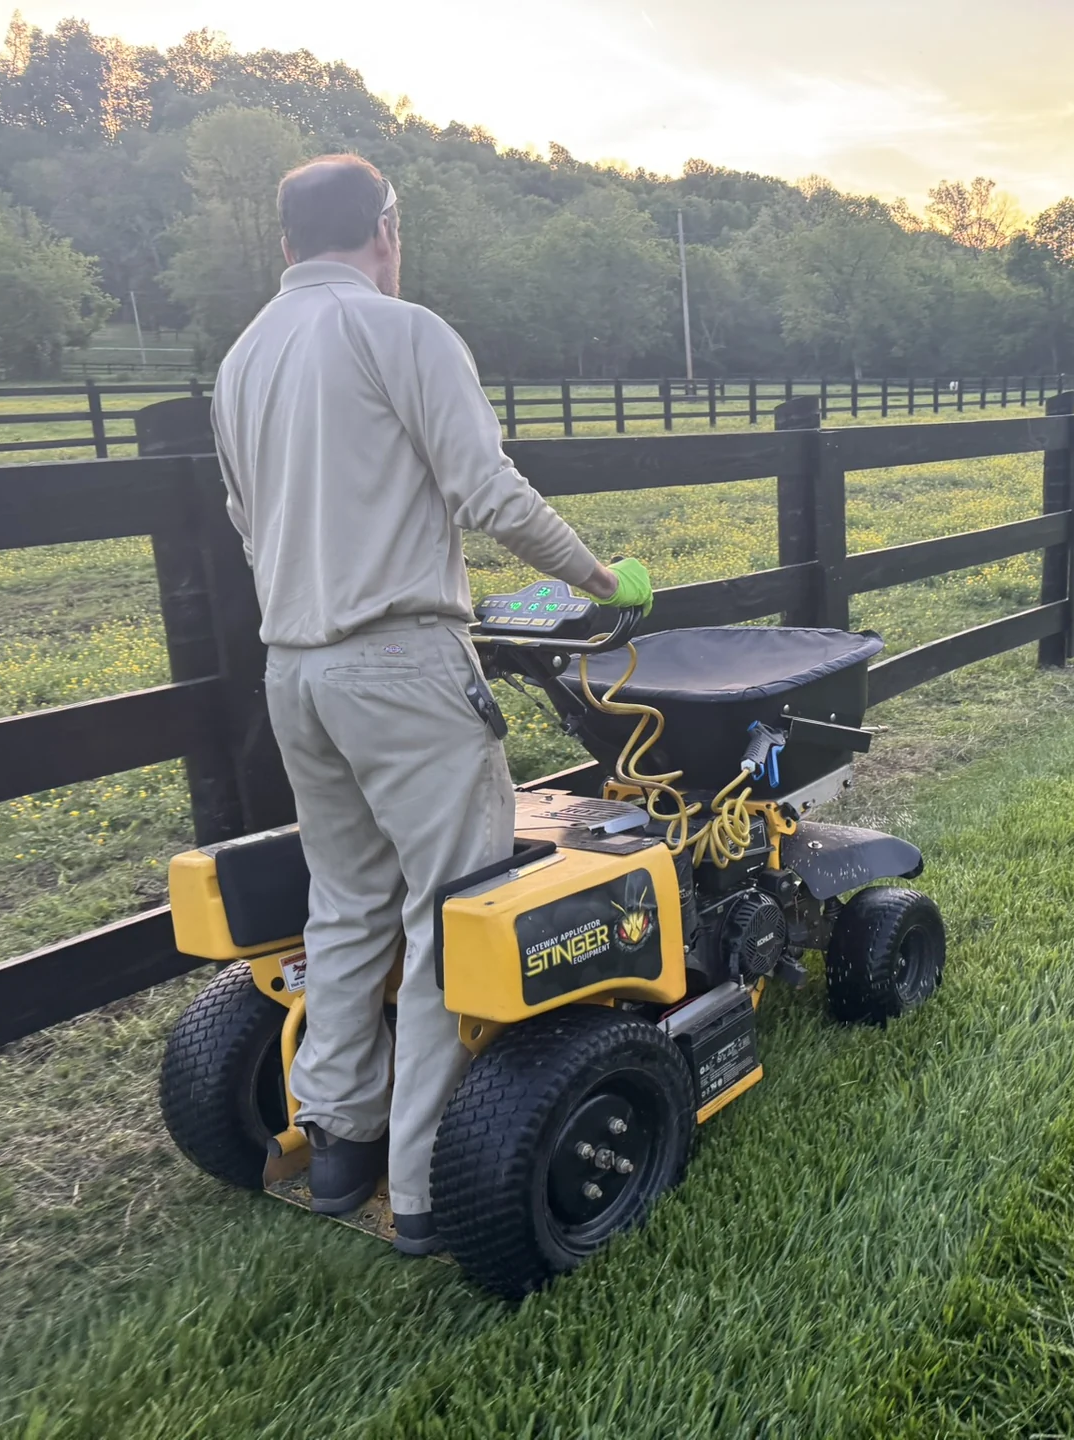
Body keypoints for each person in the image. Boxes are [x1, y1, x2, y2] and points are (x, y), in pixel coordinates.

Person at [210, 153, 653, 1255]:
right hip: (401, 663)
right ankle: (422, 1192)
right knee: (454, 911)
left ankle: (338, 1144)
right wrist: (603, 580)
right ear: (387, 230)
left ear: (284, 244)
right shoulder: (404, 334)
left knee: (349, 906)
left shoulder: (240, 362)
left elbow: (245, 520)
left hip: (294, 669)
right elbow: (489, 492)